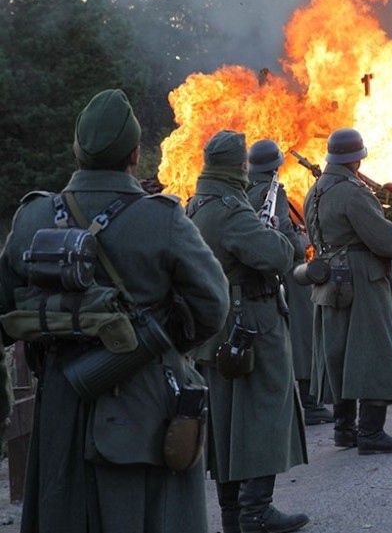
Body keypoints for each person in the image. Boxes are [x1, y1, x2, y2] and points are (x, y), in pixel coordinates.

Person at [0, 89, 230, 533]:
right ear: (135, 154)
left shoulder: (31, 218)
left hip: (60, 406)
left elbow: (5, 308)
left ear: (78, 152)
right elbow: (212, 306)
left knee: (63, 513)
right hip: (144, 401)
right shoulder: (162, 218)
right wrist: (156, 346)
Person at [187, 131, 308, 533]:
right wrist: (271, 231)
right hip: (252, 324)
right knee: (263, 415)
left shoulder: (195, 204)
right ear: (237, 166)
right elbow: (278, 254)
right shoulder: (231, 210)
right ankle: (257, 511)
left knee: (225, 424)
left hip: (215, 328)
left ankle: (233, 515)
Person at [302, 127, 392, 455]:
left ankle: (344, 429)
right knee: (372, 351)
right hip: (362, 279)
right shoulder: (354, 192)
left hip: (329, 282)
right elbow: (381, 237)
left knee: (338, 353)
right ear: (357, 160)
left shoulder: (316, 190)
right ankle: (371, 433)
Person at [245, 139, 333, 426]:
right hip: (288, 274)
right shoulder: (273, 193)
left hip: (258, 275)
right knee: (304, 335)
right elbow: (284, 234)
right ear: (275, 167)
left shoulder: (241, 191)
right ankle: (311, 403)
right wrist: (304, 240)